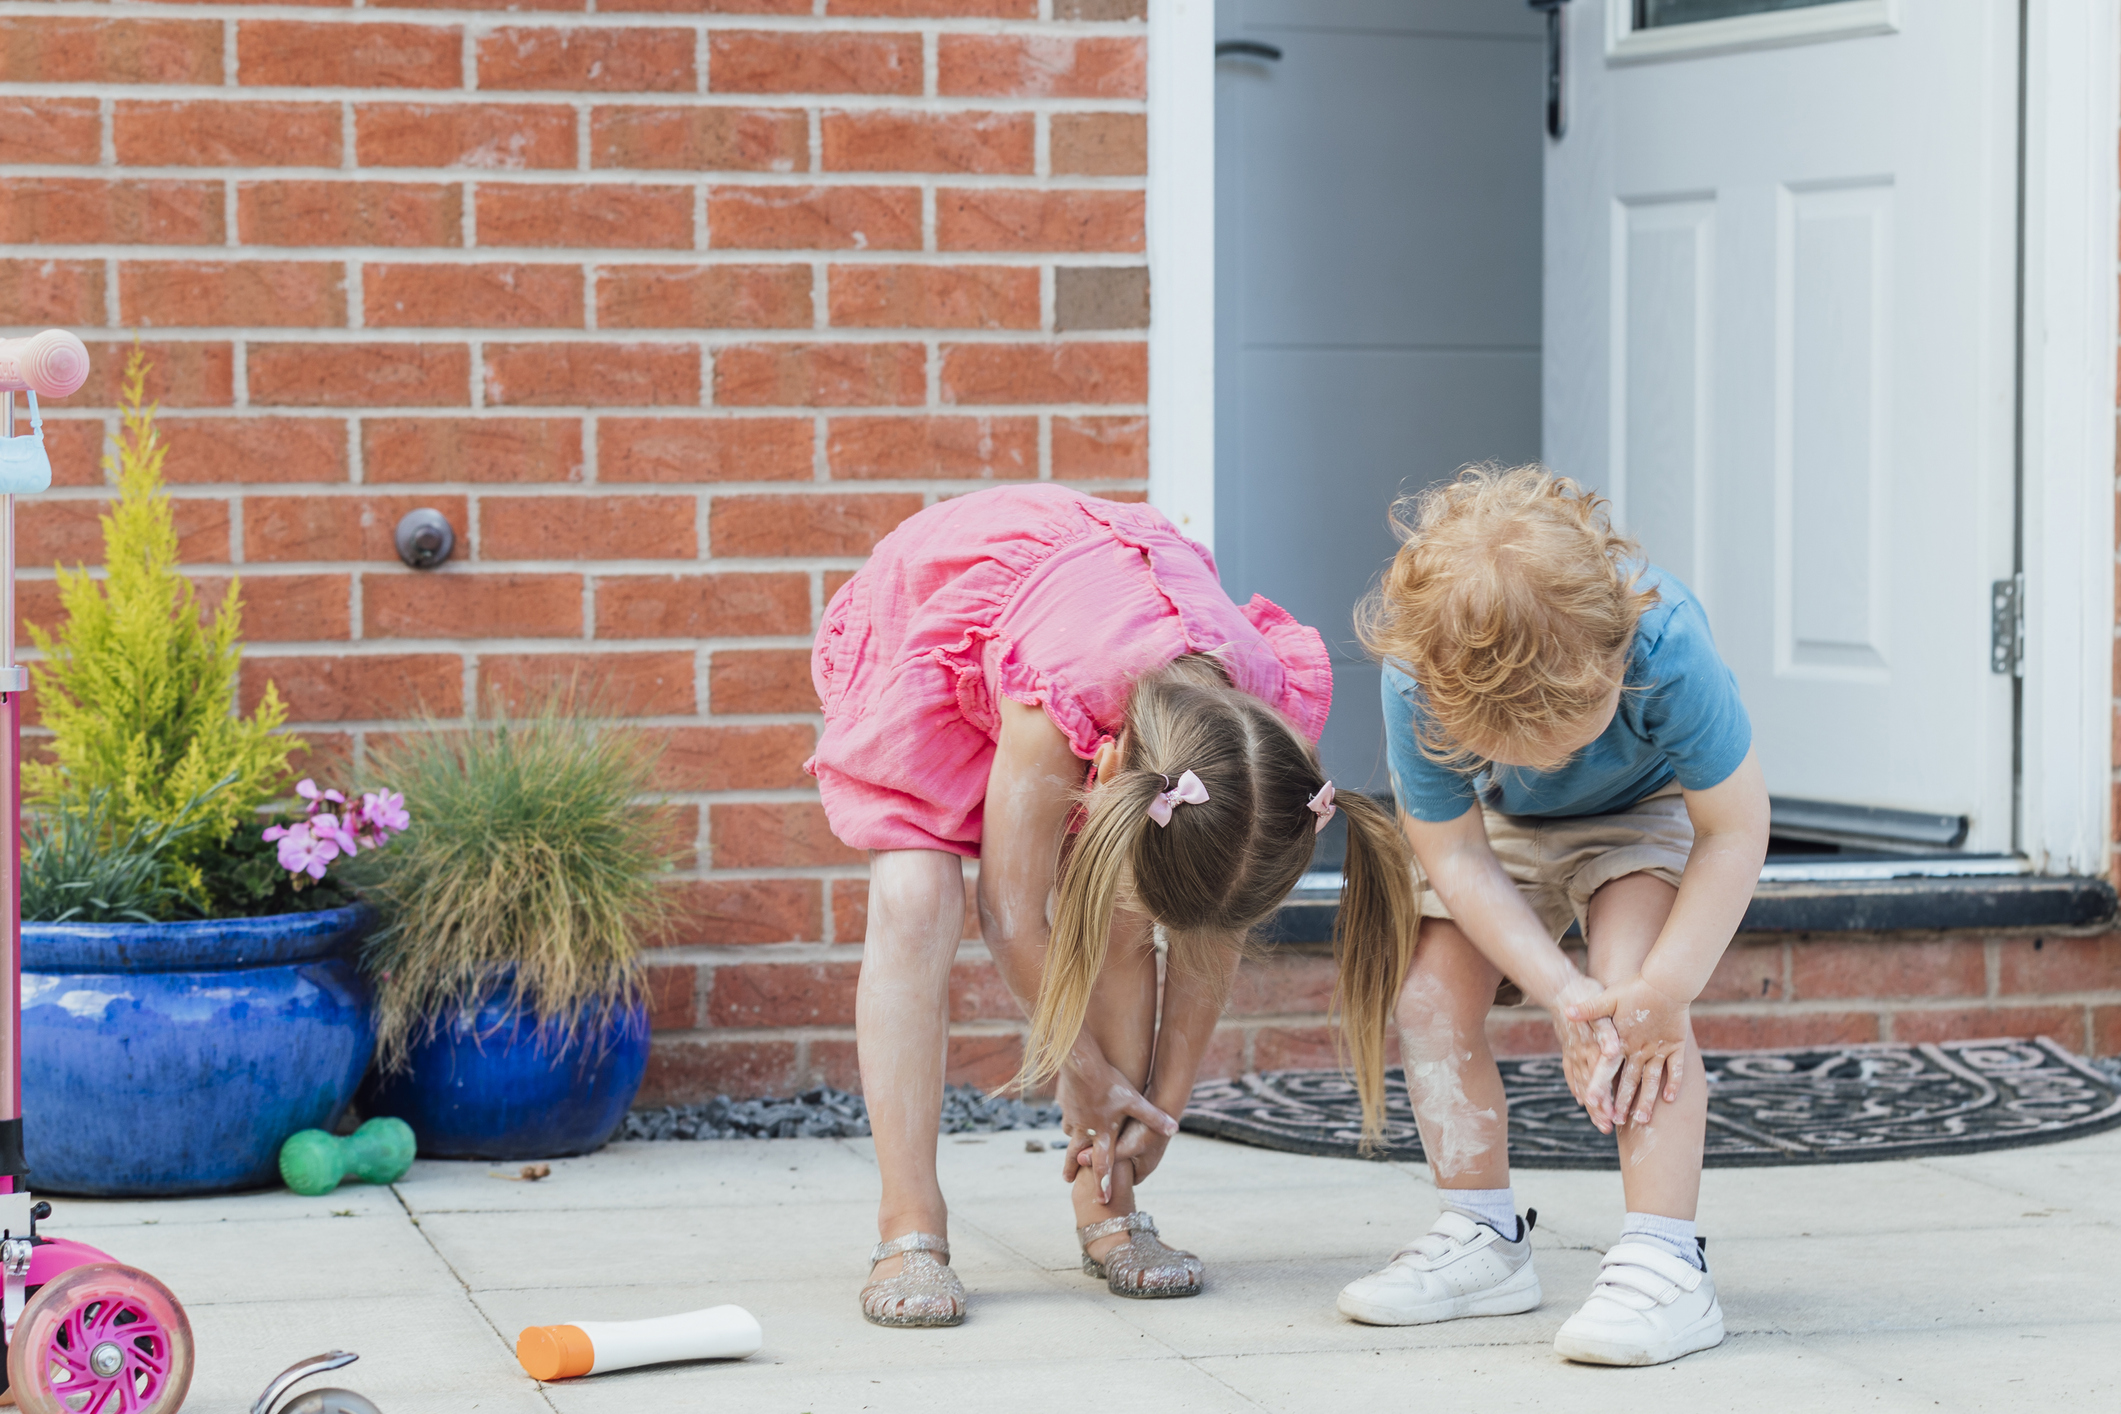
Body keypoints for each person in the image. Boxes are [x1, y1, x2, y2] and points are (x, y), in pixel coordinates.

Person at [808, 483, 1413, 1328]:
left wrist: (1162, 1108)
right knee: (915, 899)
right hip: (946, 618)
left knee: (1126, 917)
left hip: (1102, 634)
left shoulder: (1261, 741)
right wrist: (1085, 1073)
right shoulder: (1055, 695)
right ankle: (908, 1223)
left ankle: (1109, 1200)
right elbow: (1011, 914)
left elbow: (1210, 935)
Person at [1335, 464, 1769, 1367]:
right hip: (1498, 824)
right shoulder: (1420, 676)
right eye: (1524, 744)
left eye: (1571, 733)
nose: (1555, 757)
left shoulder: (1663, 641)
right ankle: (1482, 1236)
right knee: (1426, 1003)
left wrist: (1660, 988)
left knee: (1634, 994)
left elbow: (1734, 829)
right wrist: (1554, 989)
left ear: (1613, 657)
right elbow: (1453, 852)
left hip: (1643, 811)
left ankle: (1665, 1258)